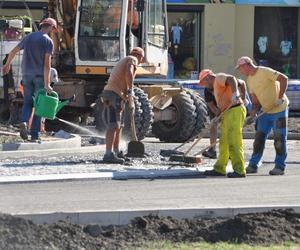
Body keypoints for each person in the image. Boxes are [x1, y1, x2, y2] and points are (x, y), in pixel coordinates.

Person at [2, 17, 57, 142]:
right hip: (39, 77)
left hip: (26, 75)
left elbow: (14, 51)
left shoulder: (29, 37)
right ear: (51, 28)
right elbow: (47, 65)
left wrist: (7, 65)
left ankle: (23, 122)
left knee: (27, 102)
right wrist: (48, 84)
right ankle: (35, 135)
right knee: (38, 106)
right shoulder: (48, 41)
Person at [236, 56, 289, 175]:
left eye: (240, 68)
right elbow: (255, 99)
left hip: (279, 109)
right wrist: (252, 114)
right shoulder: (249, 79)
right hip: (266, 111)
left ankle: (279, 167)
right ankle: (253, 165)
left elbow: (283, 79)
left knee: (279, 139)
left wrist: (280, 97)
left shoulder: (264, 71)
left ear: (247, 65)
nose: (240, 71)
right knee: (259, 139)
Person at [199, 69, 247, 178]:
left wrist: (237, 94)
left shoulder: (218, 78)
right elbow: (218, 106)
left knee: (234, 141)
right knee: (224, 142)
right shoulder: (215, 87)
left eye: (204, 82)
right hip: (227, 112)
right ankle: (220, 168)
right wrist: (217, 117)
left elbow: (232, 79)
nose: (204, 85)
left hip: (235, 110)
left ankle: (239, 170)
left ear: (208, 77)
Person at [101, 47, 144, 164]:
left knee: (119, 126)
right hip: (113, 94)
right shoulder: (132, 59)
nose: (140, 62)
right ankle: (108, 154)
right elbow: (129, 71)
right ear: (140, 56)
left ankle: (116, 151)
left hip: (115, 95)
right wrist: (131, 90)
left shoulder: (126, 59)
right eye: (142, 59)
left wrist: (129, 99)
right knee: (114, 125)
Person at [202, 78, 251, 159]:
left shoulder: (222, 81)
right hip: (217, 107)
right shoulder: (207, 90)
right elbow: (211, 105)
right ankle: (212, 150)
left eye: (205, 82)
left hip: (232, 106)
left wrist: (243, 97)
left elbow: (242, 83)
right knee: (213, 126)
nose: (206, 86)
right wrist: (217, 116)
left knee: (231, 130)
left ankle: (231, 152)